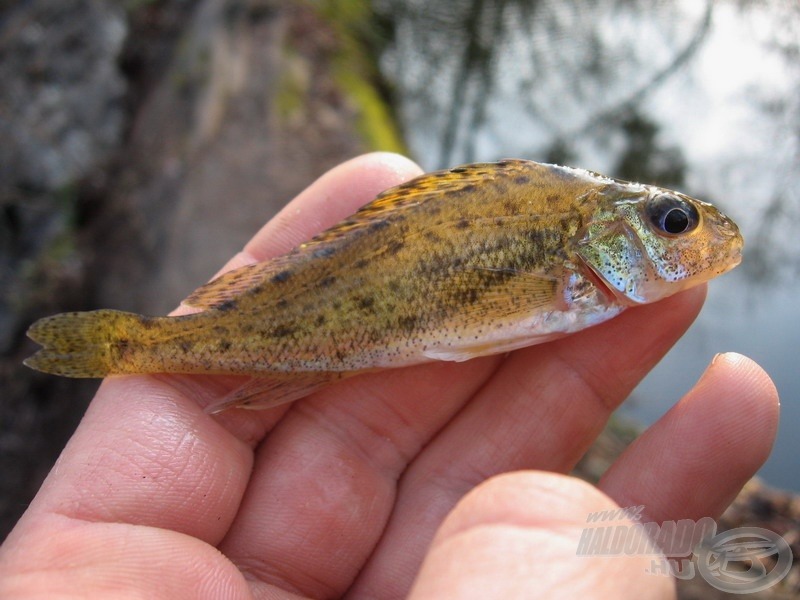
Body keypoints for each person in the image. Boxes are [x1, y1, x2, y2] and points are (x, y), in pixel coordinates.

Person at [0, 153, 779, 599]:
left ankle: (148, 345)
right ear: (602, 236)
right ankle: (138, 346)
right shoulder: (566, 243)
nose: (688, 240)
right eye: (672, 224)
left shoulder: (577, 259)